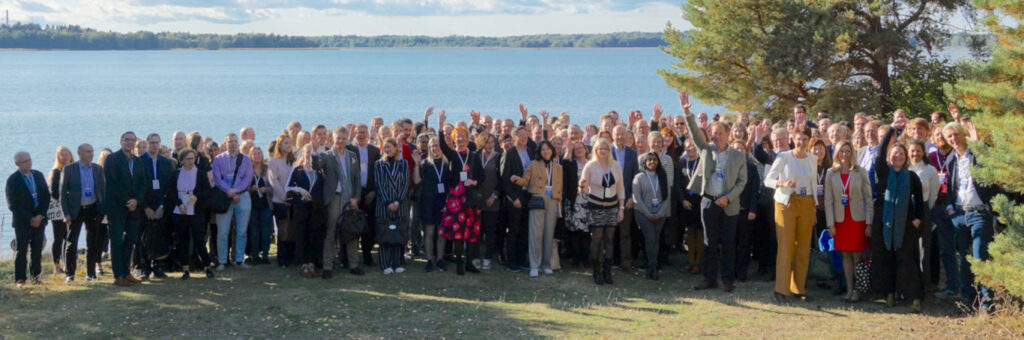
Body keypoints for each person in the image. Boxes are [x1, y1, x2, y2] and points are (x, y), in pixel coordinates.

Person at [679, 92, 748, 293]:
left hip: (730, 205)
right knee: (709, 243)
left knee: (728, 244)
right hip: (708, 203)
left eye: (720, 133)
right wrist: (687, 113)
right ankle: (709, 279)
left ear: (728, 135)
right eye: (714, 133)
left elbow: (742, 181)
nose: (716, 136)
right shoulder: (706, 149)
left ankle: (727, 280)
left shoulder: (738, 156)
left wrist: (728, 197)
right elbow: (694, 133)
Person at [870, 122, 926, 312]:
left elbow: (920, 201)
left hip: (905, 226)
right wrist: (892, 130)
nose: (898, 156)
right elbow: (880, 152)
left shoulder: (911, 177)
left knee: (907, 262)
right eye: (895, 153)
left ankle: (915, 298)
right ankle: (890, 295)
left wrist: (917, 219)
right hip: (884, 224)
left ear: (906, 158)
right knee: (886, 261)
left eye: (902, 154)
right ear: (890, 156)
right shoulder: (883, 171)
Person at [942, 121, 996, 311]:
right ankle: (969, 298)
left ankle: (987, 302)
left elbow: (989, 168)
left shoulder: (976, 153)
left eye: (956, 134)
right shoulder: (951, 160)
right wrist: (950, 207)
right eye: (949, 137)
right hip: (960, 213)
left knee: (980, 256)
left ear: (963, 134)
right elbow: (950, 187)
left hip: (980, 213)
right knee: (964, 258)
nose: (954, 139)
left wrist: (979, 146)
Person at [764, 124, 818, 303]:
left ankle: (799, 288)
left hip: (806, 203)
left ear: (809, 140)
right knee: (786, 247)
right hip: (786, 203)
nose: (801, 142)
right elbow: (768, 180)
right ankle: (781, 289)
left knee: (803, 248)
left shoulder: (812, 159)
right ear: (792, 139)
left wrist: (814, 206)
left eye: (804, 139)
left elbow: (812, 184)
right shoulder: (784, 157)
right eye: (798, 139)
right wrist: (782, 184)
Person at [823, 141, 872, 302]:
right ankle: (849, 290)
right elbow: (828, 200)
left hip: (858, 220)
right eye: (841, 151)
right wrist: (830, 224)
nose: (845, 155)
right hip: (840, 221)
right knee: (845, 256)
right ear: (837, 153)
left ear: (852, 153)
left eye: (848, 151)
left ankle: (858, 290)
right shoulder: (831, 173)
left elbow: (868, 198)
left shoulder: (860, 171)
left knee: (857, 256)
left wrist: (869, 223)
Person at [437, 111, 484, 275]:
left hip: (471, 197)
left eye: (463, 136)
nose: (461, 139)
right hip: (456, 198)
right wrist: (440, 125)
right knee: (458, 230)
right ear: (454, 138)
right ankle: (459, 262)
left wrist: (474, 181)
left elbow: (482, 176)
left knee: (472, 230)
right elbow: (442, 145)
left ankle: (470, 263)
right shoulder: (452, 154)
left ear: (467, 138)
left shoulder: (474, 155)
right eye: (458, 137)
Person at [102, 131, 148, 287]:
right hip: (117, 208)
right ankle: (118, 275)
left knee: (130, 241)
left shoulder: (138, 161)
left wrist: (137, 200)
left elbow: (143, 183)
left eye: (132, 140)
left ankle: (127, 273)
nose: (129, 142)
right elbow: (112, 183)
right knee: (116, 242)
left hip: (134, 209)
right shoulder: (112, 159)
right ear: (121, 141)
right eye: (126, 140)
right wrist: (127, 200)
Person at [511, 140, 563, 277]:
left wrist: (559, 203)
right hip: (537, 199)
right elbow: (525, 180)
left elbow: (560, 187)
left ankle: (546, 264)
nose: (546, 152)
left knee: (548, 233)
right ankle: (534, 265)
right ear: (539, 152)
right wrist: (516, 179)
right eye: (543, 150)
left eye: (548, 149)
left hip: (552, 200)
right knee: (535, 233)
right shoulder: (534, 164)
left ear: (552, 150)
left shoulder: (558, 167)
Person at [579, 138, 625, 285]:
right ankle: (596, 272)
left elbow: (620, 188)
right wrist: (581, 186)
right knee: (597, 239)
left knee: (610, 240)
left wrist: (621, 208)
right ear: (596, 151)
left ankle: (607, 271)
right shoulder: (590, 166)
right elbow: (583, 191)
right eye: (600, 149)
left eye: (605, 148)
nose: (603, 151)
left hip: (612, 207)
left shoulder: (616, 165)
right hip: (596, 206)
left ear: (609, 151)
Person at [320, 126, 363, 278]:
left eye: (343, 138)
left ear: (347, 139)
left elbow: (357, 179)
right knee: (332, 231)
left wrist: (356, 197)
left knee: (351, 231)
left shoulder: (352, 155)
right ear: (333, 138)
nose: (340, 141)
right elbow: (315, 167)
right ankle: (327, 266)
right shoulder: (326, 156)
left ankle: (354, 264)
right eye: (338, 138)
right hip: (334, 197)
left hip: (350, 197)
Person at [165, 148, 215, 280]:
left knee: (199, 240)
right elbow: (170, 192)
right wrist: (179, 203)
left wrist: (197, 196)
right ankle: (185, 269)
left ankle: (207, 267)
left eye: (192, 158)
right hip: (180, 211)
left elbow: (208, 192)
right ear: (182, 160)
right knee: (183, 240)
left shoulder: (200, 174)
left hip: (196, 211)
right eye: (187, 159)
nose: (190, 161)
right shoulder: (176, 173)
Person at [59, 144, 104, 283]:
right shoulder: (69, 169)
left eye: (92, 151)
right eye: (88, 151)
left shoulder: (97, 169)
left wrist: (102, 208)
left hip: (93, 208)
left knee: (93, 243)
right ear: (79, 153)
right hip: (75, 210)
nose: (91, 154)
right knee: (72, 242)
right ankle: (70, 275)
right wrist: (65, 213)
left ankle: (90, 274)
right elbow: (62, 193)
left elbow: (103, 189)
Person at [6, 151, 51, 288]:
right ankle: (20, 278)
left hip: (40, 218)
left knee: (37, 249)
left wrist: (40, 215)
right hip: (23, 221)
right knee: (21, 250)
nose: (28, 163)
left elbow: (45, 197)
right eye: (25, 161)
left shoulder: (38, 175)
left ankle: (36, 277)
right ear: (17, 163)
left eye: (29, 160)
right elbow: (13, 204)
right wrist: (30, 218)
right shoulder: (13, 180)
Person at [211, 133, 254, 270]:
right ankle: (223, 261)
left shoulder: (246, 159)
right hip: (224, 197)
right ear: (225, 143)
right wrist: (229, 191)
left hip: (243, 196)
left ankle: (239, 260)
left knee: (241, 230)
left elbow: (248, 178)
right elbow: (217, 179)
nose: (233, 144)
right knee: (223, 231)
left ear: (238, 143)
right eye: (230, 142)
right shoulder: (218, 160)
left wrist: (236, 191)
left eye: (235, 141)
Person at [138, 133, 175, 280]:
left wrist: (161, 206)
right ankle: (144, 268)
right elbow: (138, 187)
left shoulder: (166, 163)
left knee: (160, 236)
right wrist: (146, 207)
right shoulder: (139, 162)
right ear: (147, 144)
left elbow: (169, 187)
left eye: (157, 143)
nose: (154, 145)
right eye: (152, 143)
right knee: (143, 238)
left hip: (160, 206)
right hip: (144, 206)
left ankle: (158, 267)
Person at [373, 138, 411, 275]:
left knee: (398, 234)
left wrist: (397, 202)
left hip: (400, 205)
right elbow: (379, 184)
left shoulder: (404, 163)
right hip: (384, 205)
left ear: (396, 148)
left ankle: (397, 262)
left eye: (390, 147)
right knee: (385, 234)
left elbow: (405, 184)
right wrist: (387, 202)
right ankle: (385, 264)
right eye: (386, 147)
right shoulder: (378, 164)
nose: (388, 150)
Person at [286, 146, 325, 277]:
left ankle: (312, 262)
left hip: (315, 209)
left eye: (312, 153)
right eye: (307, 152)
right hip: (301, 207)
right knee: (302, 235)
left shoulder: (319, 171)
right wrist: (299, 190)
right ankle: (303, 263)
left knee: (314, 235)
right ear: (303, 154)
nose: (309, 155)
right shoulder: (298, 170)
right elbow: (287, 187)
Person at [500, 126, 534, 273]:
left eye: (525, 135)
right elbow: (504, 179)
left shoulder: (530, 152)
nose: (524, 138)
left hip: (528, 196)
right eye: (520, 136)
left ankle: (521, 259)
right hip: (515, 198)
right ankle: (511, 261)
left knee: (524, 230)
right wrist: (513, 198)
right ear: (514, 138)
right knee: (513, 230)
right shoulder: (510, 153)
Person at [347, 124, 382, 267]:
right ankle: (349, 257)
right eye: (358, 133)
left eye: (363, 132)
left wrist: (374, 191)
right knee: (352, 225)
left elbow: (378, 173)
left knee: (370, 225)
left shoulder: (374, 151)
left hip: (369, 193)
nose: (361, 135)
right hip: (354, 194)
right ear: (355, 135)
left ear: (368, 135)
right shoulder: (350, 150)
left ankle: (367, 255)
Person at [907, 138, 939, 290]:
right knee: (909, 246)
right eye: (912, 151)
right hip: (907, 210)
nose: (915, 154)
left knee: (924, 247)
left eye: (918, 151)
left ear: (923, 152)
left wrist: (924, 209)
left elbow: (933, 194)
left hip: (924, 209)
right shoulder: (905, 168)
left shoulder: (930, 170)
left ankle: (924, 281)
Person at [632, 152, 670, 280]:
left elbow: (667, 198)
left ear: (658, 162)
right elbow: (637, 199)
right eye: (649, 160)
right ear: (644, 162)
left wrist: (659, 214)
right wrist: (648, 214)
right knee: (650, 238)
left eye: (654, 159)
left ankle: (653, 266)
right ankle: (652, 267)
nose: (652, 162)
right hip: (643, 214)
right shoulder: (639, 177)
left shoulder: (663, 176)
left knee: (656, 239)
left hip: (660, 215)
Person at [611, 125, 639, 273]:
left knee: (625, 233)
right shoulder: (606, 151)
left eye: (623, 134)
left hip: (626, 200)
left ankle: (625, 262)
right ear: (612, 135)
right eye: (618, 134)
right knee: (609, 233)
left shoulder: (632, 153)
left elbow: (636, 177)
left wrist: (632, 198)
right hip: (609, 200)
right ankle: (610, 261)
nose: (620, 137)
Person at [731, 141, 760, 283]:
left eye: (741, 148)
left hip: (746, 211)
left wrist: (753, 209)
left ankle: (742, 272)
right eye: (736, 148)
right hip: (730, 210)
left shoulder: (752, 168)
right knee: (731, 242)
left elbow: (755, 191)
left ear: (746, 151)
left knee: (745, 243)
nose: (739, 150)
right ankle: (731, 271)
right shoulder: (727, 167)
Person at [475, 132, 502, 271]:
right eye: (487, 142)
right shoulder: (475, 156)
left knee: (491, 231)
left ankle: (488, 257)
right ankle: (475, 257)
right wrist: (477, 196)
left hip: (493, 200)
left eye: (492, 142)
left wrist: (494, 196)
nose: (489, 145)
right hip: (478, 200)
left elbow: (502, 179)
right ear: (481, 143)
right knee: (477, 231)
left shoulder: (498, 157)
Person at [269, 134, 297, 267]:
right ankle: (282, 259)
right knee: (283, 230)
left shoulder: (293, 160)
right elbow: (273, 181)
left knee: (292, 229)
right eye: (285, 143)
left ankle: (292, 257)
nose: (288, 145)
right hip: (280, 201)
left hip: (293, 201)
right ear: (279, 145)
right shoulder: (274, 161)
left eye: (289, 143)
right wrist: (284, 197)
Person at [561, 141, 590, 267]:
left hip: (589, 201)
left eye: (580, 148)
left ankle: (586, 258)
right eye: (576, 149)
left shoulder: (591, 164)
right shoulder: (571, 164)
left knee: (587, 232)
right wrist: (567, 151)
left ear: (585, 150)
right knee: (575, 231)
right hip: (574, 201)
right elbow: (562, 166)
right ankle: (576, 258)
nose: (578, 150)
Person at [677, 138, 704, 275]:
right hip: (686, 202)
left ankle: (698, 262)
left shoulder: (702, 161)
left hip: (700, 201)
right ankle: (690, 261)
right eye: (687, 147)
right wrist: (682, 200)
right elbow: (677, 183)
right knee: (690, 232)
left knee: (700, 232)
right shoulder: (682, 162)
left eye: (693, 146)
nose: (690, 149)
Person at [48, 146, 74, 276]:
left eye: (66, 154)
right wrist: (68, 195)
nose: (64, 157)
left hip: (73, 208)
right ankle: (56, 266)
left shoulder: (75, 170)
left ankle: (67, 264)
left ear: (71, 155)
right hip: (58, 210)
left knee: (69, 237)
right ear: (58, 157)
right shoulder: (56, 172)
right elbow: (54, 193)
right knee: (58, 237)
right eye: (61, 155)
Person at [247, 146, 273, 265]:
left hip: (265, 205)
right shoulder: (248, 170)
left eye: (259, 153)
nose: (257, 156)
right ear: (251, 156)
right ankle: (255, 255)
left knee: (266, 231)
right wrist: (251, 188)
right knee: (254, 231)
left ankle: (266, 255)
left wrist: (265, 189)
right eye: (254, 154)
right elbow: (243, 186)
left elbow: (273, 187)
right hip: (252, 205)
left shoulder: (267, 169)